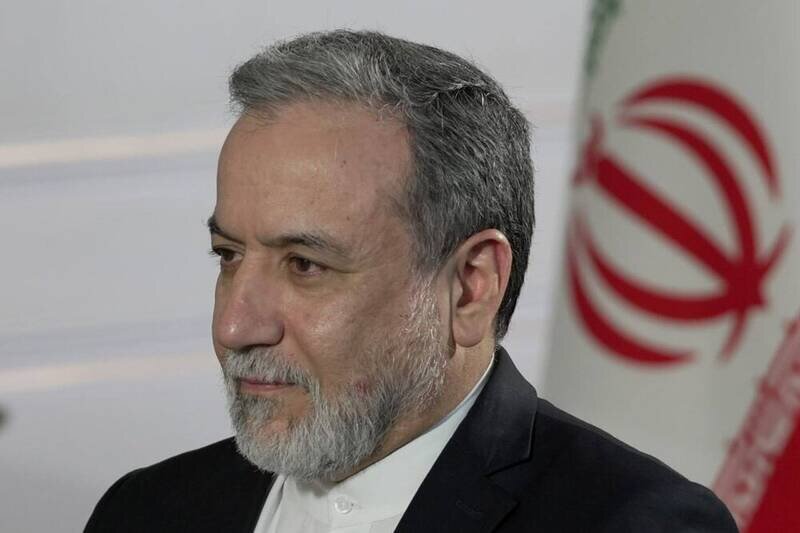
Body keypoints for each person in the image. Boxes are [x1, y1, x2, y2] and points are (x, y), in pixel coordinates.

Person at [85, 30, 737, 532]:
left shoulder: (636, 523)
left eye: (305, 265)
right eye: (228, 255)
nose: (234, 325)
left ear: (470, 288)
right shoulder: (145, 510)